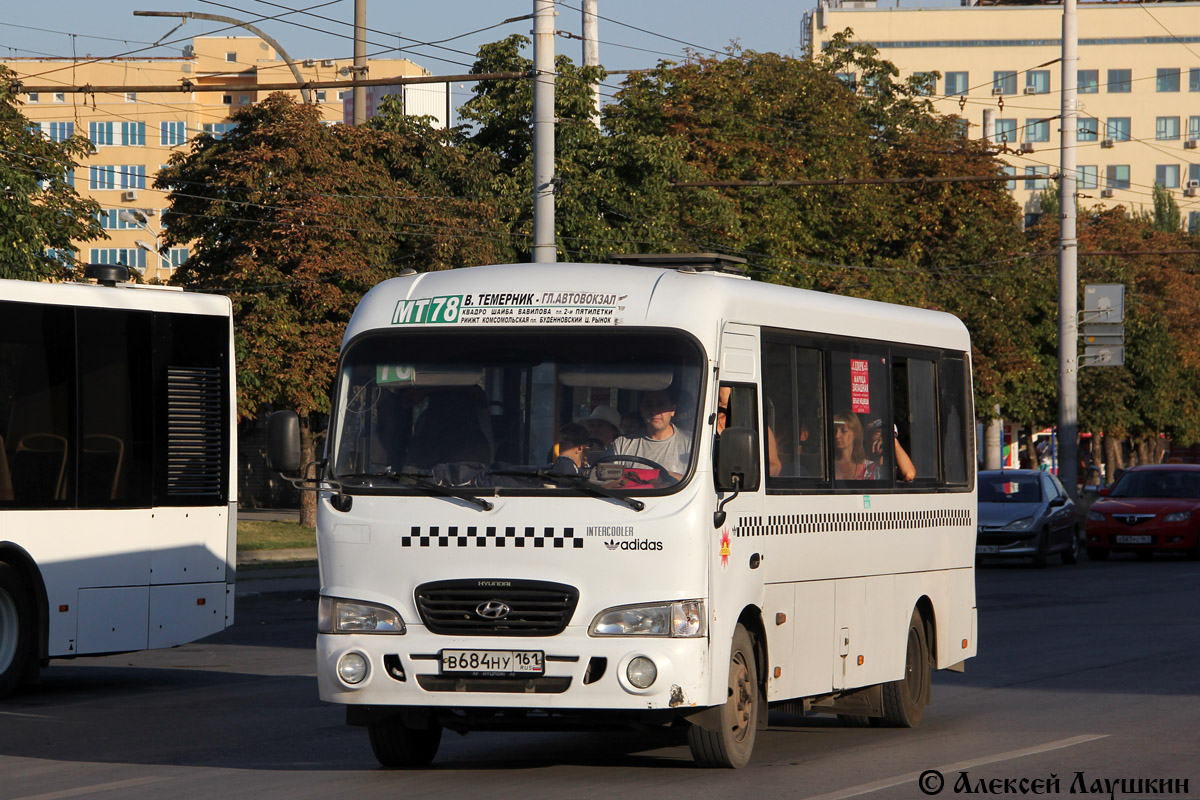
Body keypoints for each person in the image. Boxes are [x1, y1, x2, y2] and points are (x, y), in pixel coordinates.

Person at [607, 389, 691, 482]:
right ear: (641, 409)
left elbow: (698, 482)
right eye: (648, 405)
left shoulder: (692, 443)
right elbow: (605, 479)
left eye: (661, 404)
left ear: (673, 410)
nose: (655, 411)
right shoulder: (621, 444)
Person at [715, 386, 783, 477]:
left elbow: (775, 467)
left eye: (725, 408)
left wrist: (748, 478)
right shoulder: (703, 424)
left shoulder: (757, 425)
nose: (722, 414)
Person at [834, 411, 880, 480]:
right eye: (834, 431)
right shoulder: (825, 467)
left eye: (843, 431)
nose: (837, 435)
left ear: (855, 433)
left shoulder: (869, 468)